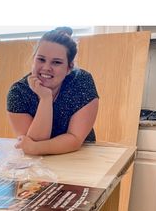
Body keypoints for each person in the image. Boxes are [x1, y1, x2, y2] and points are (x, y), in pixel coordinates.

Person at [7, 27, 99, 155]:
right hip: (38, 162)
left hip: (79, 156)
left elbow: (74, 139)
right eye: (41, 59)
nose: (46, 68)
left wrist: (35, 148)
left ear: (69, 68)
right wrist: (45, 99)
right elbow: (33, 141)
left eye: (56, 62)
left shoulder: (82, 81)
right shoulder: (18, 92)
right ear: (33, 59)